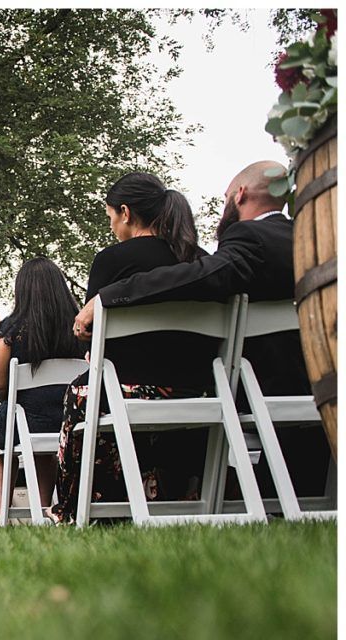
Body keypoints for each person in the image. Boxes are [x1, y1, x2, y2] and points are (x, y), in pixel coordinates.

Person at [73, 161, 330, 499]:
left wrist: (109, 296)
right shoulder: (313, 238)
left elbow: (204, 275)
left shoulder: (248, 239)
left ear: (240, 195)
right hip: (320, 380)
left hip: (257, 385)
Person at [51, 172, 213, 524]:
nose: (111, 226)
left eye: (110, 217)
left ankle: (73, 508)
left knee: (81, 391)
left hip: (126, 389)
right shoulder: (200, 260)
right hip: (199, 390)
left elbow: (93, 339)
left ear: (125, 212)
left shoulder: (112, 261)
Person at [0, 257, 83, 522]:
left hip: (27, 415)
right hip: (72, 415)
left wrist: (10, 400)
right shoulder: (80, 325)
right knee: (43, 447)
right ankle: (44, 509)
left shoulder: (11, 328)